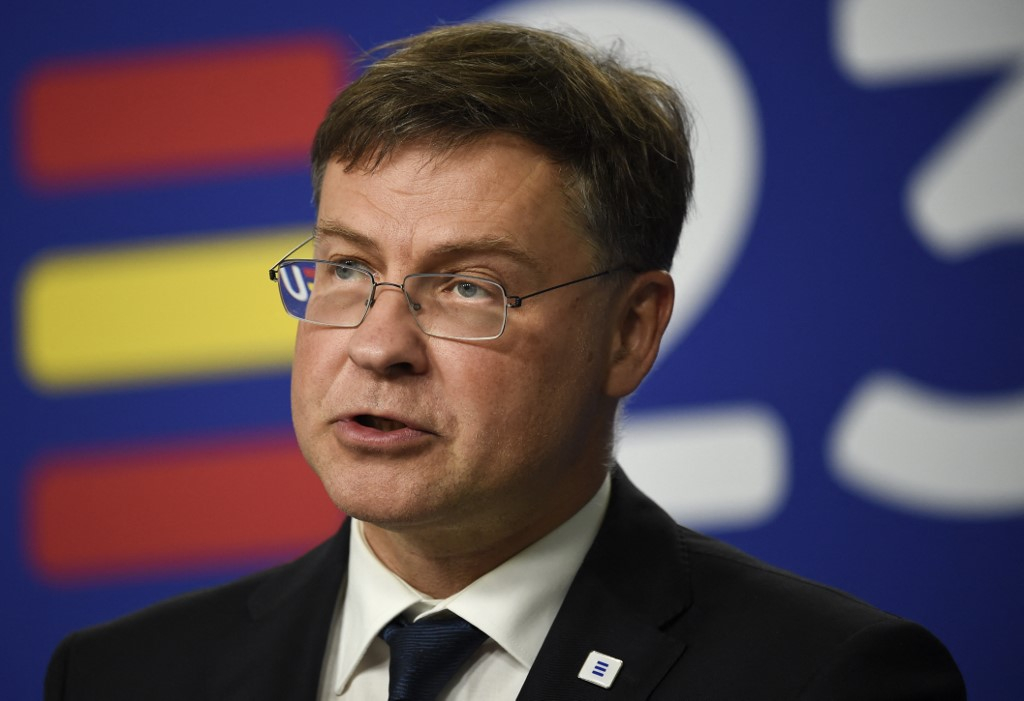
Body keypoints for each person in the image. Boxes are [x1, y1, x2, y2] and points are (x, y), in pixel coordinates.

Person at [44, 21, 965, 700]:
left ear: (629, 331)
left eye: (468, 287)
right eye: (347, 268)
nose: (377, 345)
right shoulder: (120, 676)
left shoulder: (823, 677)